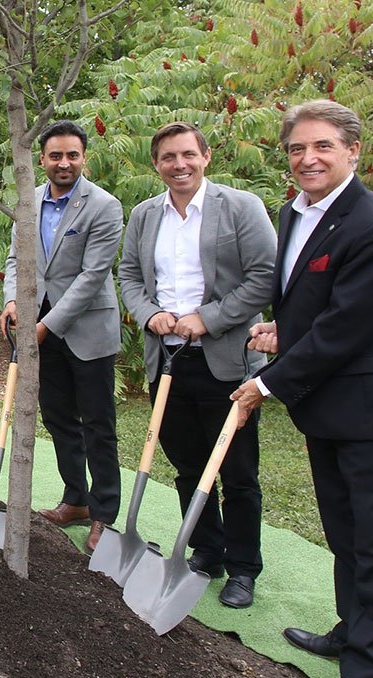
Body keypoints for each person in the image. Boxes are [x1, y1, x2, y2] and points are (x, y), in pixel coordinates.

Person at [231, 100, 373, 678]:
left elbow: (349, 326)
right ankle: (352, 630)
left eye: (322, 146)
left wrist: (268, 384)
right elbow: (317, 303)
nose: (307, 159)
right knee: (346, 534)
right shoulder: (295, 213)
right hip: (330, 412)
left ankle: (365, 676)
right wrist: (281, 328)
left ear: (352, 150)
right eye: (296, 149)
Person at [117, 122, 275, 609]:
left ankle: (244, 568)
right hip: (166, 359)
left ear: (206, 156)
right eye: (168, 157)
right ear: (156, 164)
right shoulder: (145, 215)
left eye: (188, 154)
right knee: (186, 464)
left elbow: (264, 277)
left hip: (226, 360)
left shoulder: (241, 207)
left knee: (237, 471)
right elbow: (128, 275)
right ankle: (207, 551)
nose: (178, 164)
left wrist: (205, 319)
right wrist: (151, 314)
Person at [0, 120, 123, 552]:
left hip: (85, 330)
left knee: (98, 424)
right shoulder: (28, 202)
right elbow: (17, 258)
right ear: (43, 160)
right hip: (37, 329)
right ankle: (77, 499)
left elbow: (92, 278)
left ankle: (105, 514)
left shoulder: (104, 206)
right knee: (57, 417)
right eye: (55, 155)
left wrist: (45, 326)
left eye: (72, 155)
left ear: (83, 157)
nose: (64, 162)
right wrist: (14, 301)